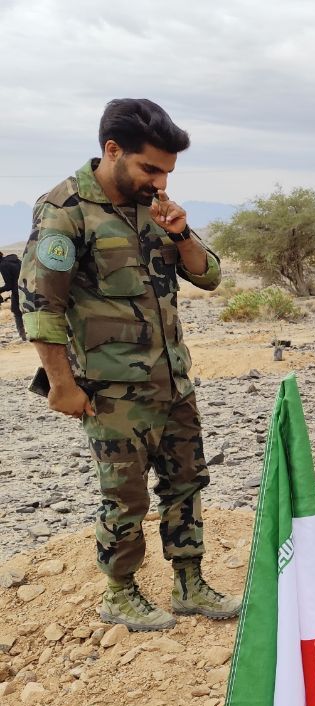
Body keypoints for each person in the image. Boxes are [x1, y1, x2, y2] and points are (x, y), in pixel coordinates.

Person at [18, 98, 240, 631]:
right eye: (151, 168)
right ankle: (119, 592)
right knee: (125, 496)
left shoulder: (156, 207)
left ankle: (189, 583)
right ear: (112, 150)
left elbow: (209, 275)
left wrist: (181, 231)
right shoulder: (65, 210)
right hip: (113, 389)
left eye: (167, 171)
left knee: (186, 483)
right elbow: (40, 307)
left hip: (172, 380)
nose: (160, 181)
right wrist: (61, 385)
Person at [0, 253, 23, 340]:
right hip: (28, 290)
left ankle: (22, 335)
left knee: (17, 312)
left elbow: (8, 285)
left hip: (17, 292)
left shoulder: (3, 265)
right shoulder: (15, 260)